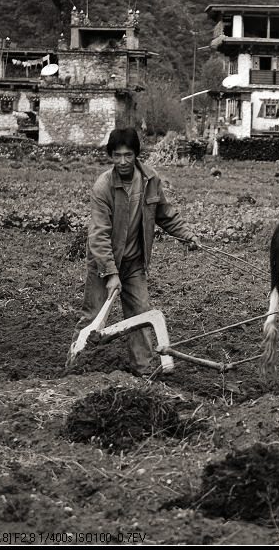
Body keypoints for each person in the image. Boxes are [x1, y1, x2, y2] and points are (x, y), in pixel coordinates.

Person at [77, 127, 200, 376]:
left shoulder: (150, 180)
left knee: (141, 315)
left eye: (128, 155)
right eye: (117, 155)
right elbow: (98, 234)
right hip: (104, 264)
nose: (123, 161)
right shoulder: (103, 186)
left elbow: (165, 214)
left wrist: (187, 235)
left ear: (136, 155)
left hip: (133, 263)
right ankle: (77, 366)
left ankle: (143, 372)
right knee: (94, 317)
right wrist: (111, 273)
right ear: (111, 156)